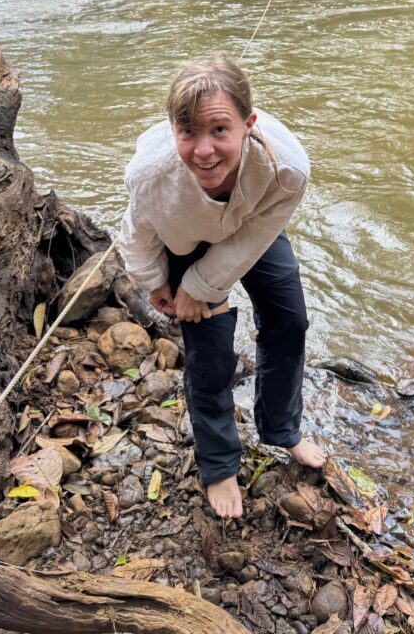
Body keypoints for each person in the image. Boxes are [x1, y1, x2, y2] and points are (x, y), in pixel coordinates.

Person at [118, 55, 326, 518]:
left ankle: (282, 429)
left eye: (219, 131)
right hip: (184, 234)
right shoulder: (150, 175)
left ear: (249, 124)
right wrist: (159, 284)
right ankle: (218, 465)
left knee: (289, 322)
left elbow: (256, 235)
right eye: (187, 133)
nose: (204, 151)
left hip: (252, 226)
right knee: (210, 351)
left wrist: (204, 282)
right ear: (172, 129)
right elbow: (135, 235)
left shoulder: (287, 168)